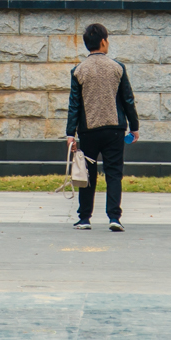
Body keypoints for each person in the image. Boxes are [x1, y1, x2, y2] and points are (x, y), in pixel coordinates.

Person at [65, 22, 139, 232]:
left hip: (88, 130)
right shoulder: (117, 68)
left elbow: (74, 105)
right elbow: (128, 100)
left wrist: (71, 133)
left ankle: (84, 218)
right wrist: (134, 126)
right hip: (115, 129)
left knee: (87, 174)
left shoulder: (78, 70)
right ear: (104, 42)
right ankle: (114, 217)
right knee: (114, 172)